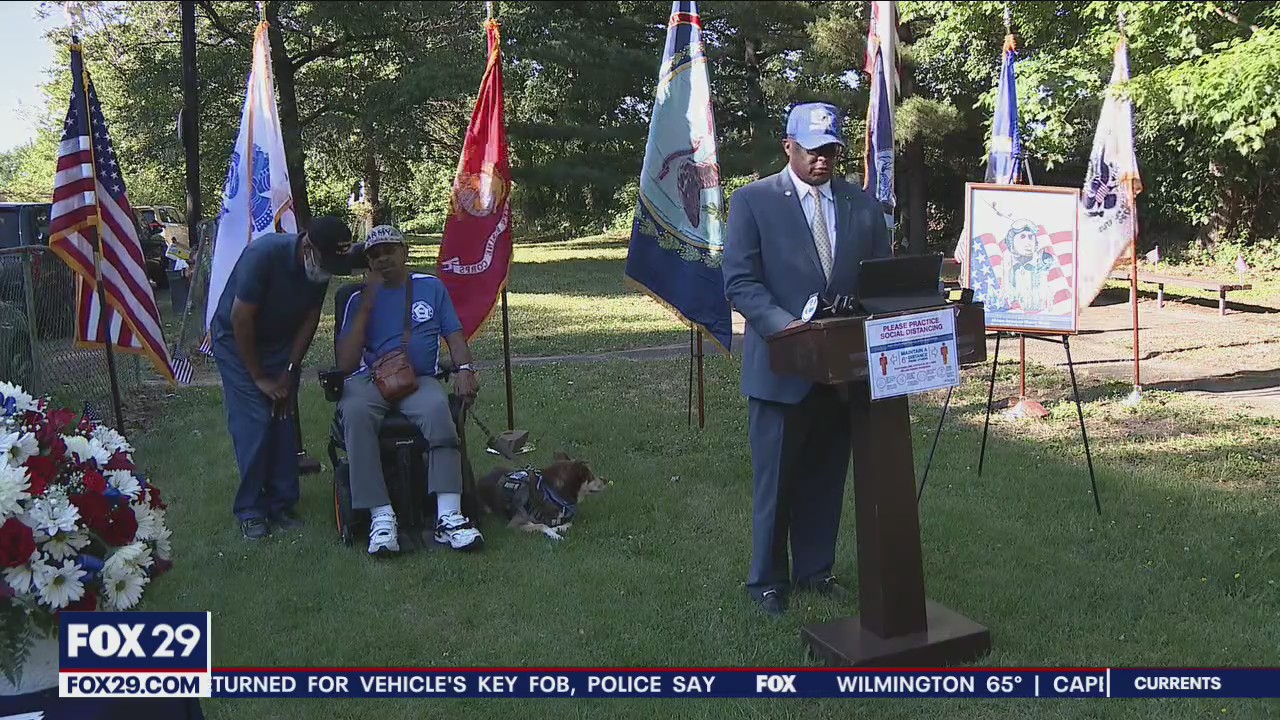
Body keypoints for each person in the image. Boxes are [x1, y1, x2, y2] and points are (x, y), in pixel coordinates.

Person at [722, 102, 892, 616]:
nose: (823, 160)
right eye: (813, 150)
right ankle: (767, 580)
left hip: (841, 371)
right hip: (780, 367)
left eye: (832, 150)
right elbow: (740, 281)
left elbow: (879, 278)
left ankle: (815, 569)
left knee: (824, 474)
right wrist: (782, 325)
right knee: (777, 478)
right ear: (788, 146)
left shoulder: (862, 206)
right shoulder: (752, 202)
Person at [336, 225, 483, 556]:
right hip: (369, 379)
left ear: (405, 252)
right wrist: (368, 304)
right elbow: (345, 362)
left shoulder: (431, 287)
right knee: (356, 412)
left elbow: (455, 336)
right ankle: (381, 516)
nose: (383, 259)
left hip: (419, 378)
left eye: (389, 250)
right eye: (374, 255)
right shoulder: (357, 299)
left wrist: (464, 369)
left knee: (437, 412)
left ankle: (449, 516)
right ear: (368, 263)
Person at [210, 216, 354, 540]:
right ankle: (250, 509)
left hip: (280, 343)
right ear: (307, 246)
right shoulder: (264, 254)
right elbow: (240, 319)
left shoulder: (321, 263)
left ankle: (281, 503)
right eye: (325, 260)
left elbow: (310, 317)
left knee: (282, 416)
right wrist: (259, 377)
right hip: (237, 341)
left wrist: (290, 370)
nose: (327, 271)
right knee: (254, 420)